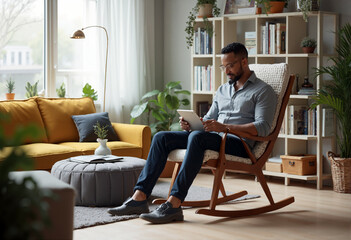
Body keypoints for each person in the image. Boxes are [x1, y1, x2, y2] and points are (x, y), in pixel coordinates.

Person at [108, 42, 277, 224]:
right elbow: (209, 119)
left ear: (244, 62)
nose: (226, 70)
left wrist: (225, 128)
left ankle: (174, 204)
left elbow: (263, 127)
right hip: (213, 138)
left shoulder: (263, 91)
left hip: (239, 143)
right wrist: (193, 123)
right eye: (223, 66)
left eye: (230, 65)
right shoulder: (223, 89)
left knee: (197, 138)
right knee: (162, 137)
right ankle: (139, 198)